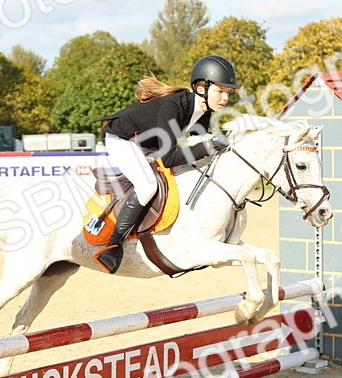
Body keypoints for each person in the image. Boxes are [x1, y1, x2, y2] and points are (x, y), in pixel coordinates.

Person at [93, 55, 238, 273]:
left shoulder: (203, 112)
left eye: (228, 92)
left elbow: (198, 143)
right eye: (220, 91)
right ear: (201, 89)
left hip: (148, 144)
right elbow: (168, 159)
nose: (225, 98)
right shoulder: (173, 106)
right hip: (123, 140)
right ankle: (113, 245)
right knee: (148, 186)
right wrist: (209, 146)